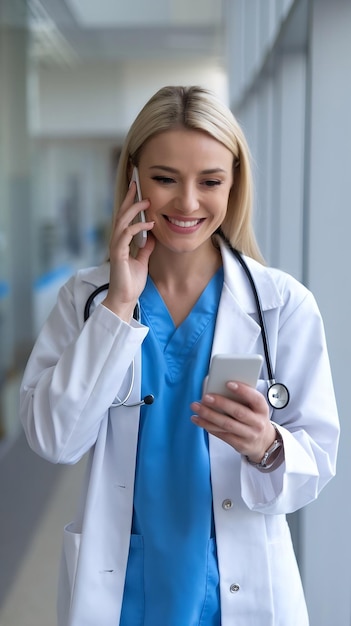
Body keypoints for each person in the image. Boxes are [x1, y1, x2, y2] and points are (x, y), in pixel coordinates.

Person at [19, 85, 339, 626]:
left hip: (235, 592)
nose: (187, 203)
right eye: (165, 178)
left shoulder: (282, 305)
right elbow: (53, 439)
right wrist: (119, 306)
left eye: (210, 181)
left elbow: (318, 463)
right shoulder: (87, 298)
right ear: (133, 179)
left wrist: (267, 446)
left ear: (233, 183)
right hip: (125, 593)